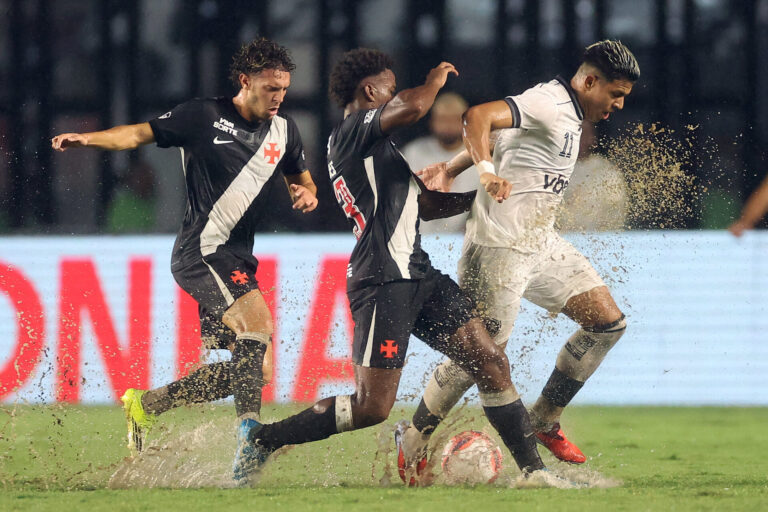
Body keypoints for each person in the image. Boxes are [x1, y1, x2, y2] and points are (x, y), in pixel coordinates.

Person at [244, 48, 563, 486]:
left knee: (489, 360)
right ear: (371, 90)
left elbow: (426, 205)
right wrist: (434, 80)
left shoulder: (377, 150)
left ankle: (534, 474)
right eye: (390, 90)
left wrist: (489, 200)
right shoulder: (354, 131)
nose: (398, 97)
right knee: (371, 407)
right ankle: (262, 440)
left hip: (418, 274)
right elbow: (415, 106)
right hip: (382, 280)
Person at [51, 38, 318, 483]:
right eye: (270, 88)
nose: (278, 97)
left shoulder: (285, 131)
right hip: (202, 250)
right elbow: (137, 133)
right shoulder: (203, 115)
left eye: (284, 89)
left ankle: (145, 405)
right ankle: (249, 435)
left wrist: (304, 192)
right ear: (245, 81)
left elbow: (300, 178)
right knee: (259, 327)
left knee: (257, 367)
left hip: (238, 257)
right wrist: (88, 139)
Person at [398, 40, 639, 477]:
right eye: (615, 94)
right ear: (589, 81)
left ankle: (545, 416)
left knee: (607, 323)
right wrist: (485, 174)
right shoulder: (548, 101)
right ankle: (413, 436)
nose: (619, 104)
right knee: (482, 358)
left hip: (540, 243)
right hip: (498, 250)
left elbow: (500, 134)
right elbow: (477, 117)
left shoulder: (564, 112)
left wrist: (451, 170)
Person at [402, 92, 479, 233]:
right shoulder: (413, 152)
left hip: (466, 240)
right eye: (443, 119)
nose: (448, 125)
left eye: (454, 119)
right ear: (432, 121)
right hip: (418, 239)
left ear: (465, 122)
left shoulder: (479, 155)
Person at [558, 121, 628, 232]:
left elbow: (616, 209)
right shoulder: (558, 168)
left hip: (598, 237)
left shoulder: (606, 171)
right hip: (562, 237)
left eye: (583, 134)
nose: (578, 139)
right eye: (574, 134)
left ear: (592, 138)